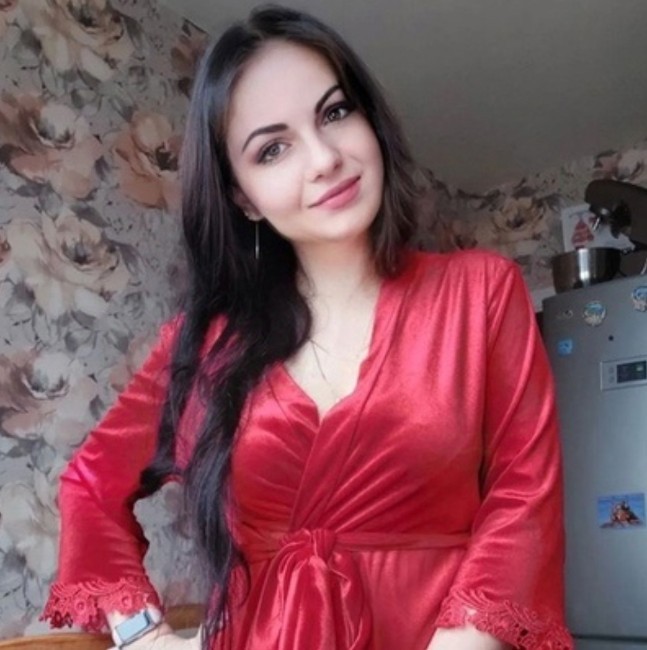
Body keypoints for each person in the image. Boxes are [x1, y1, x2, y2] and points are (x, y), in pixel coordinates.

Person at [42, 5, 573, 649]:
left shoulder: (479, 292)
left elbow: (524, 493)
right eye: (273, 149)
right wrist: (143, 637)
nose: (324, 159)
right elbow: (89, 487)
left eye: (334, 113)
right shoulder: (202, 346)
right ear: (243, 197)